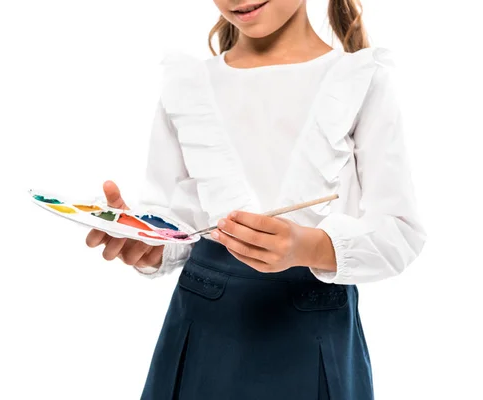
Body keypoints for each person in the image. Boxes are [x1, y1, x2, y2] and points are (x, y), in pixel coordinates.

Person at [85, 0, 427, 398]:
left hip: (312, 331)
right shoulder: (189, 85)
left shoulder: (360, 81)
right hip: (202, 329)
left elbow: (399, 232)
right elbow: (176, 219)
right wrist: (147, 241)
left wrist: (309, 246)